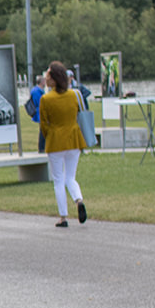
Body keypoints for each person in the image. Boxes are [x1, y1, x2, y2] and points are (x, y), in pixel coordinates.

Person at [39, 59, 90, 228]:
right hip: (74, 139)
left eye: (48, 76)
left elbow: (44, 124)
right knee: (70, 177)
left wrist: (49, 136)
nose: (46, 79)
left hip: (55, 141)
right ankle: (78, 199)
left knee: (58, 180)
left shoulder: (46, 99)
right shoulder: (74, 95)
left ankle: (63, 216)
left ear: (54, 79)